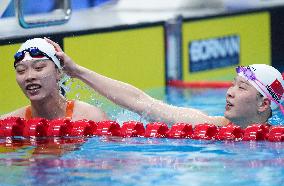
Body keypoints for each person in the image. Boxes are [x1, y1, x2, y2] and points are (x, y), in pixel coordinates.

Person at [46, 38, 283, 128]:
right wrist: (77, 71)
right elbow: (141, 102)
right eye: (232, 84)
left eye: (241, 88)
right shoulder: (209, 126)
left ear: (264, 104)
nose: (229, 93)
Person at [0, 38, 108, 121]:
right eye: (21, 70)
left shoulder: (91, 117)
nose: (29, 77)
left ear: (59, 72)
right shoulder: (9, 124)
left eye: (38, 68)